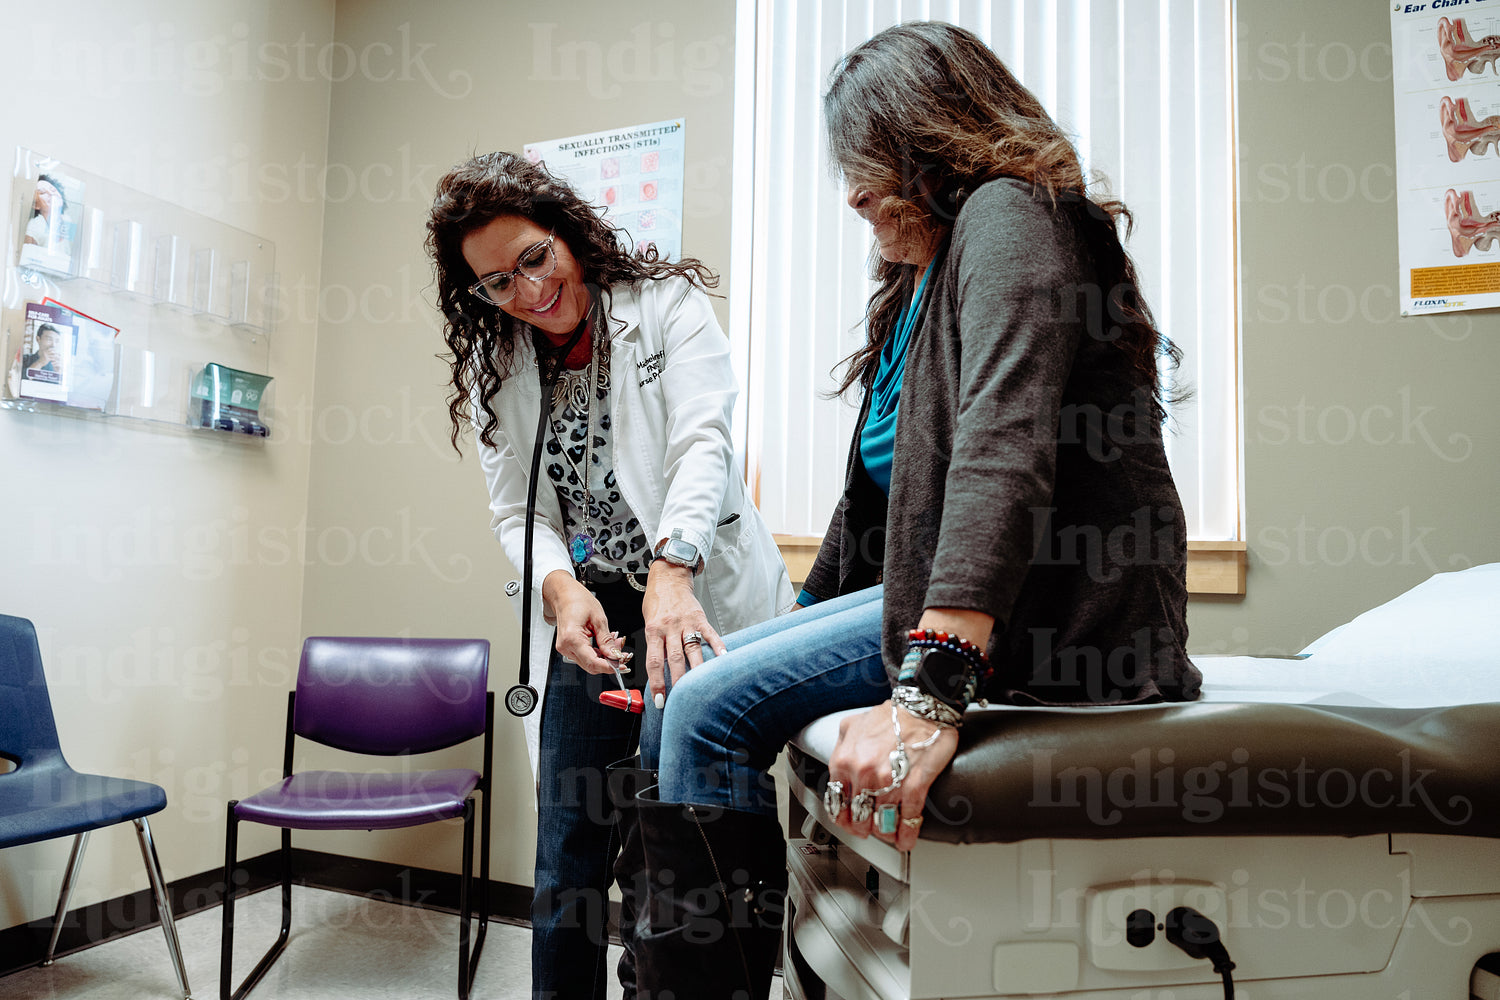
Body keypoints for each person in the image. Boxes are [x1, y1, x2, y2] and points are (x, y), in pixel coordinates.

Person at [630, 21, 1204, 1000]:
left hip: (1053, 617)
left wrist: (932, 690)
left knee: (704, 711)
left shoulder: (1015, 215)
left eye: (868, 162)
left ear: (934, 140)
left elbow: (1004, 452)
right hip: (948, 597)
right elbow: (871, 508)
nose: (852, 193)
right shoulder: (915, 288)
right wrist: (783, 639)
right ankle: (679, 971)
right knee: (681, 704)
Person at [425, 152, 792, 1000]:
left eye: (533, 259)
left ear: (568, 234)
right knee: (568, 842)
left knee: (677, 828)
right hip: (589, 612)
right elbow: (520, 514)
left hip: (688, 591)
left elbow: (704, 442)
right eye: (494, 283)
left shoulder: (665, 308)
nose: (525, 292)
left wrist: (673, 568)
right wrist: (561, 591)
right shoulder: (499, 366)